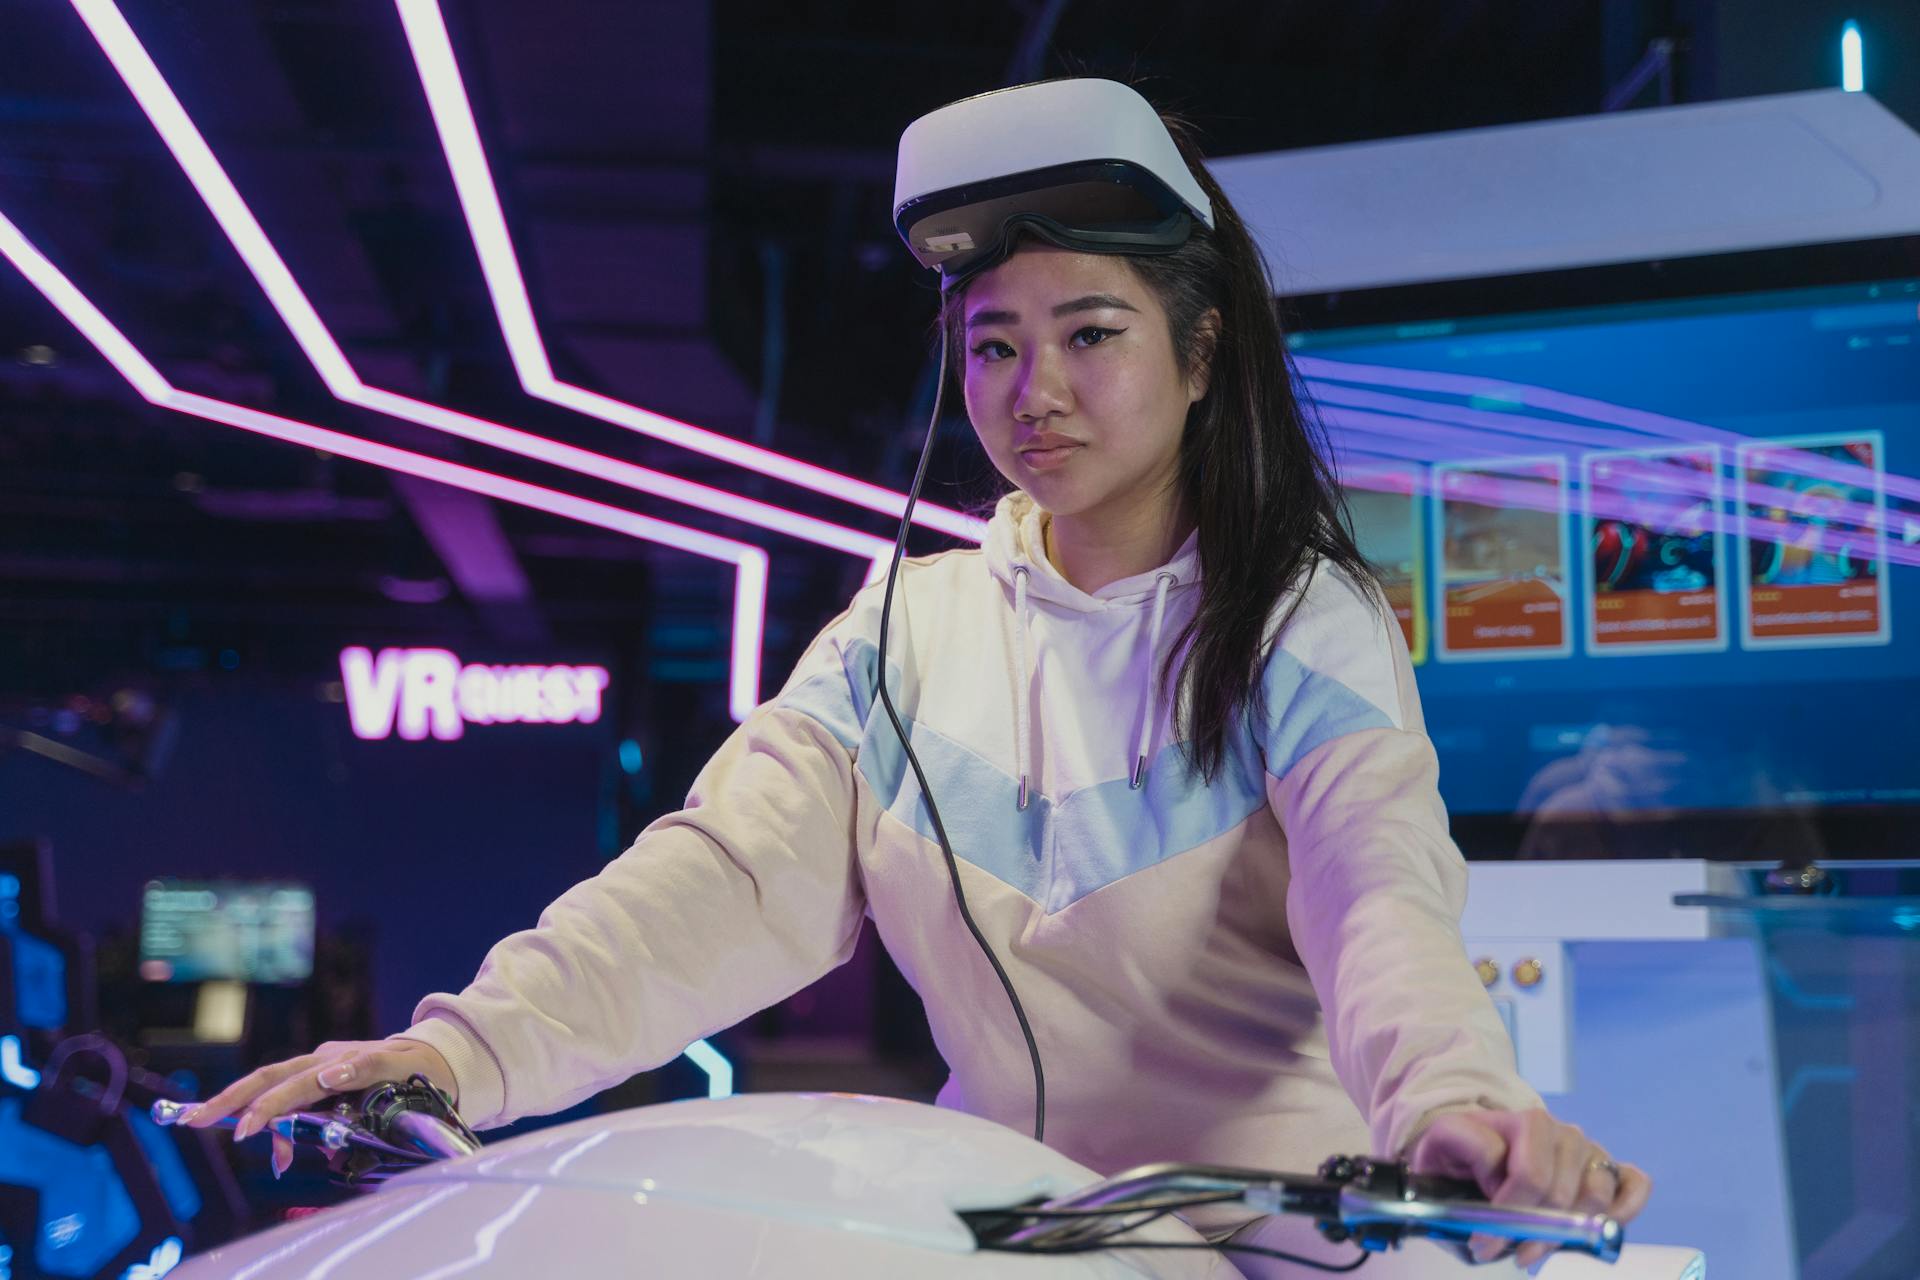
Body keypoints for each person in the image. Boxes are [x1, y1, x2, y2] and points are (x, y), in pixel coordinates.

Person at [187, 79, 1649, 1273]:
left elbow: (1383, 898)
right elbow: (712, 884)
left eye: (1092, 335)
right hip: (1001, 1235)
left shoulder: (1297, 616)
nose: (1039, 392)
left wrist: (1458, 1107)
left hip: (1282, 1247)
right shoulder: (907, 630)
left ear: (1203, 356)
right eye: (994, 347)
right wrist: (454, 1055)